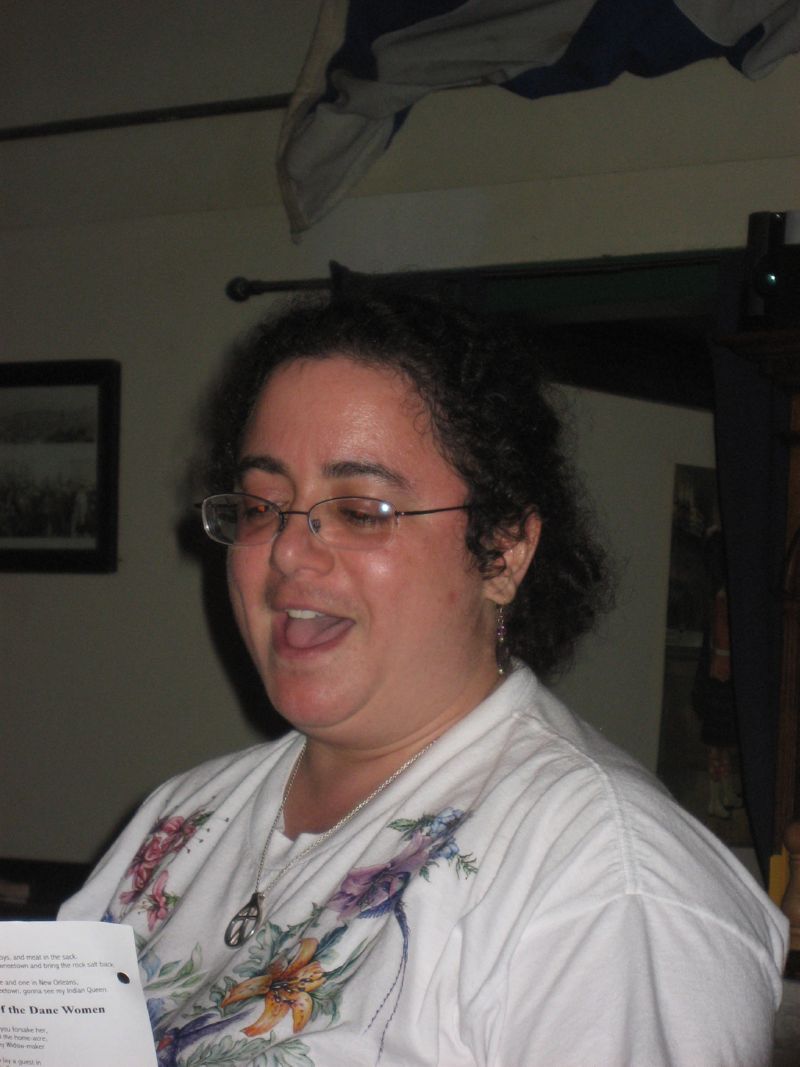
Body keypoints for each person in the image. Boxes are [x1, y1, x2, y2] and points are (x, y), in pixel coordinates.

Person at [61, 290, 787, 1066]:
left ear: (503, 550)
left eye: (361, 510)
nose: (287, 553)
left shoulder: (607, 879)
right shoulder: (180, 820)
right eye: (262, 506)